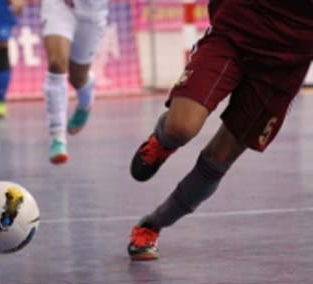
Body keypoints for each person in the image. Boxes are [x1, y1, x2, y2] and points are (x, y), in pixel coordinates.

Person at [127, 0, 313, 261]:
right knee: (182, 127)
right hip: (237, 29)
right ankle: (163, 140)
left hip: (287, 60)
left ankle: (152, 225)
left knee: (219, 159)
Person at [41, 0, 109, 164]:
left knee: (78, 77)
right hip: (59, 6)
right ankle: (57, 136)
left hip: (92, 12)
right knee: (57, 64)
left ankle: (86, 99)